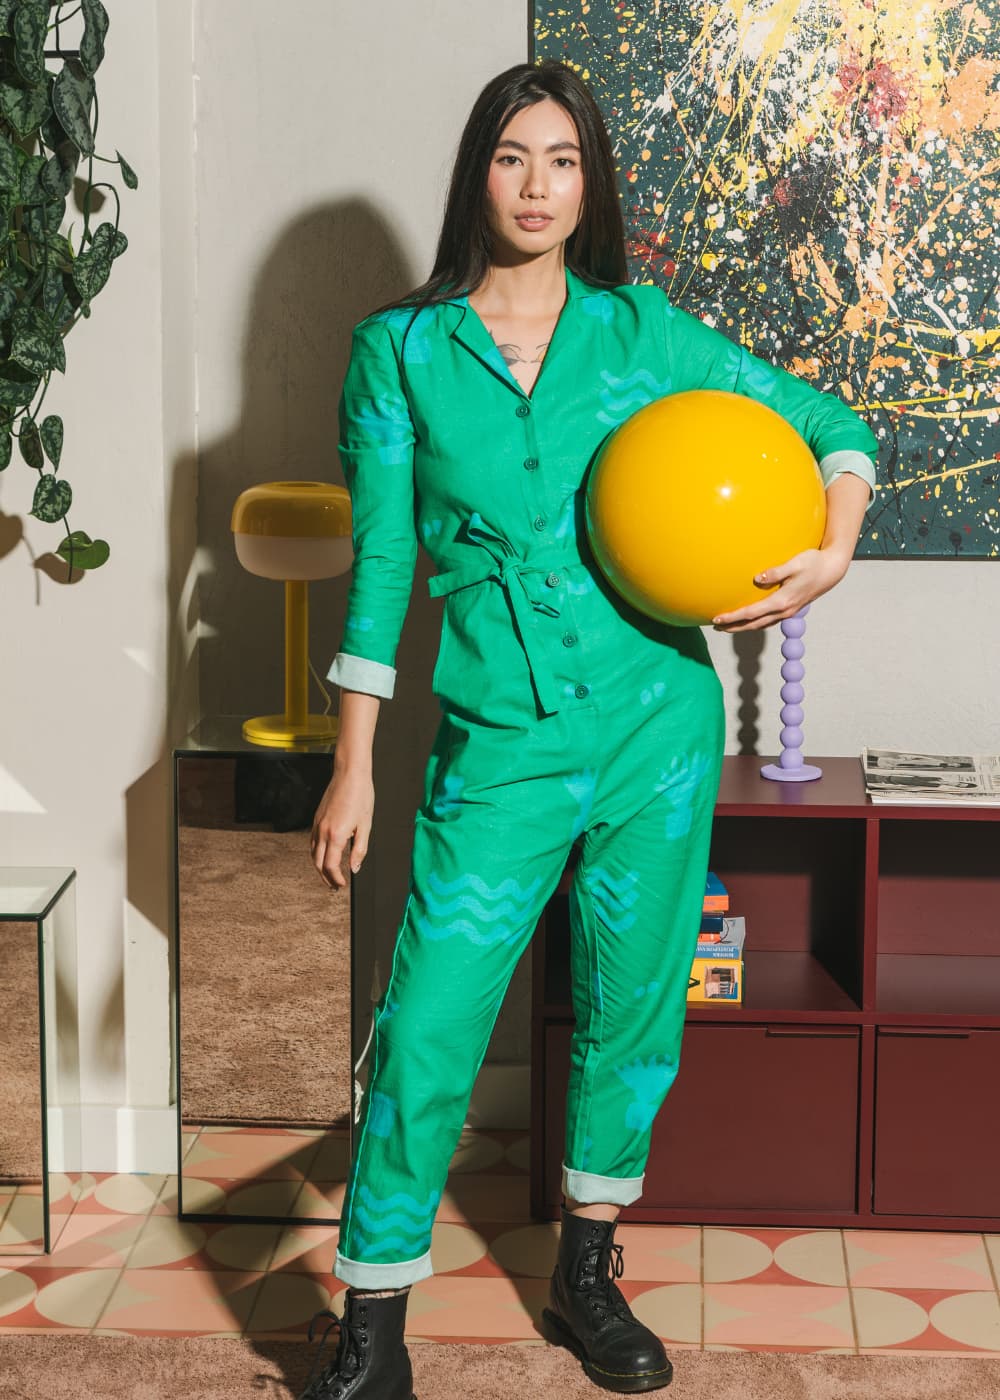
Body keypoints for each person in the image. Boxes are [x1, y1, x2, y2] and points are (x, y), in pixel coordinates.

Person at [302, 59, 877, 1400]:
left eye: (563, 160)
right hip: (497, 742)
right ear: (477, 173)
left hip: (653, 734)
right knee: (429, 1028)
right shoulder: (397, 353)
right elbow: (382, 571)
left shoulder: (640, 330)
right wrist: (353, 763)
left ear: (591, 180)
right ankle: (372, 1326)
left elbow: (829, 422)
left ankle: (584, 1278)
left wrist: (832, 545)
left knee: (629, 1015)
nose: (538, 187)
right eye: (513, 157)